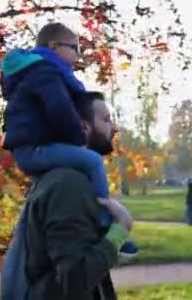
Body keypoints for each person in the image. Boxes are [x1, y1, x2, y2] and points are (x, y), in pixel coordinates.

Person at [0, 22, 137, 258]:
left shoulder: (35, 73)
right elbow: (59, 108)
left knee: (85, 164)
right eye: (74, 48)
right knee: (92, 161)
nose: (78, 55)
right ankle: (106, 224)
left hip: (31, 149)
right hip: (34, 150)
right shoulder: (45, 72)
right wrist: (77, 140)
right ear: (54, 46)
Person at [24, 91, 132, 299]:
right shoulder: (68, 185)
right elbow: (73, 280)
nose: (114, 128)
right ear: (83, 125)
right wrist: (120, 230)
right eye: (106, 119)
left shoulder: (66, 178)